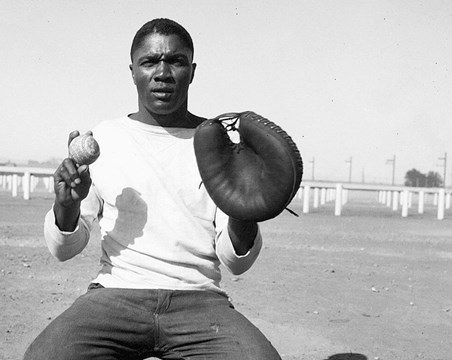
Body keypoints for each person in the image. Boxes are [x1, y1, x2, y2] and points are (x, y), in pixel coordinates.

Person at [24, 18, 282, 360]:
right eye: (149, 62)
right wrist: (67, 206)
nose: (162, 73)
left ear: (191, 70)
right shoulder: (107, 138)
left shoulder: (220, 145)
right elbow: (63, 249)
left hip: (199, 301)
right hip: (115, 297)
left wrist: (244, 212)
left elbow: (235, 262)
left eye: (175, 61)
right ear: (132, 71)